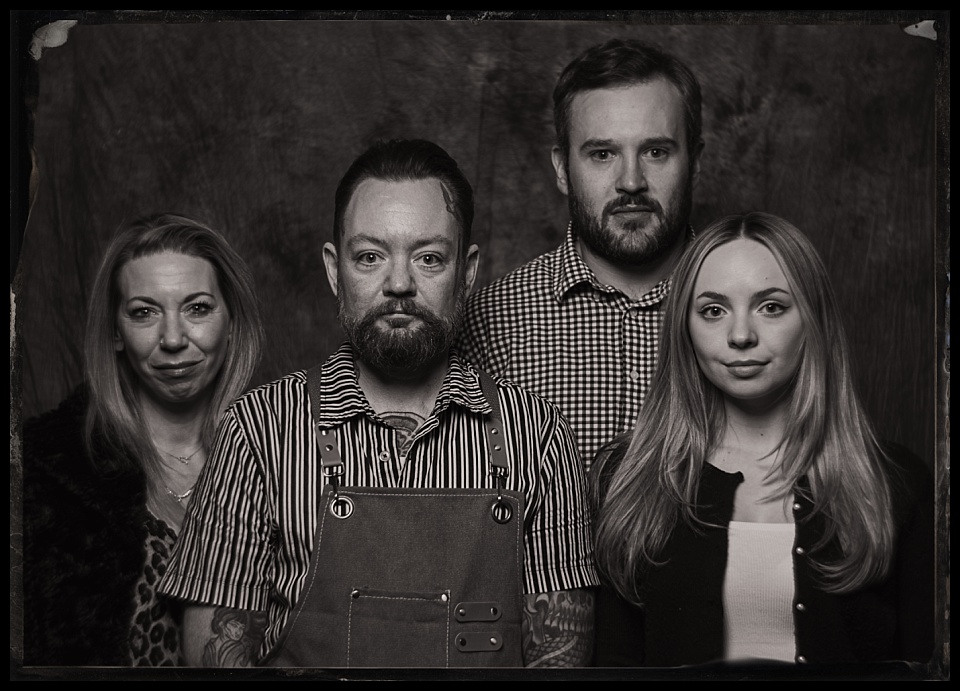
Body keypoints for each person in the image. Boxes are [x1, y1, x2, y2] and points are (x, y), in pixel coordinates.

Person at [158, 139, 599, 668]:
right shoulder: (258, 428)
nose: (398, 284)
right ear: (333, 269)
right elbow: (215, 656)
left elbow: (559, 657)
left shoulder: (536, 433)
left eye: (429, 258)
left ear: (468, 271)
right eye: (369, 256)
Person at [590, 212, 935, 667]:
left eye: (770, 306)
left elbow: (926, 664)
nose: (740, 336)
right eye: (713, 310)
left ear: (813, 318)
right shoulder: (630, 479)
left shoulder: (895, 483)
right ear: (684, 328)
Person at [22, 213, 264, 666]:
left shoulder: (285, 454)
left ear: (231, 322)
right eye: (144, 312)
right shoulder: (45, 472)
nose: (173, 338)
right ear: (115, 331)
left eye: (197, 308)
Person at [457, 38, 704, 468]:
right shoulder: (484, 324)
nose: (631, 181)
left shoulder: (753, 317)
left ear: (695, 163)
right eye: (602, 154)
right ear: (561, 169)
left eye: (656, 151)